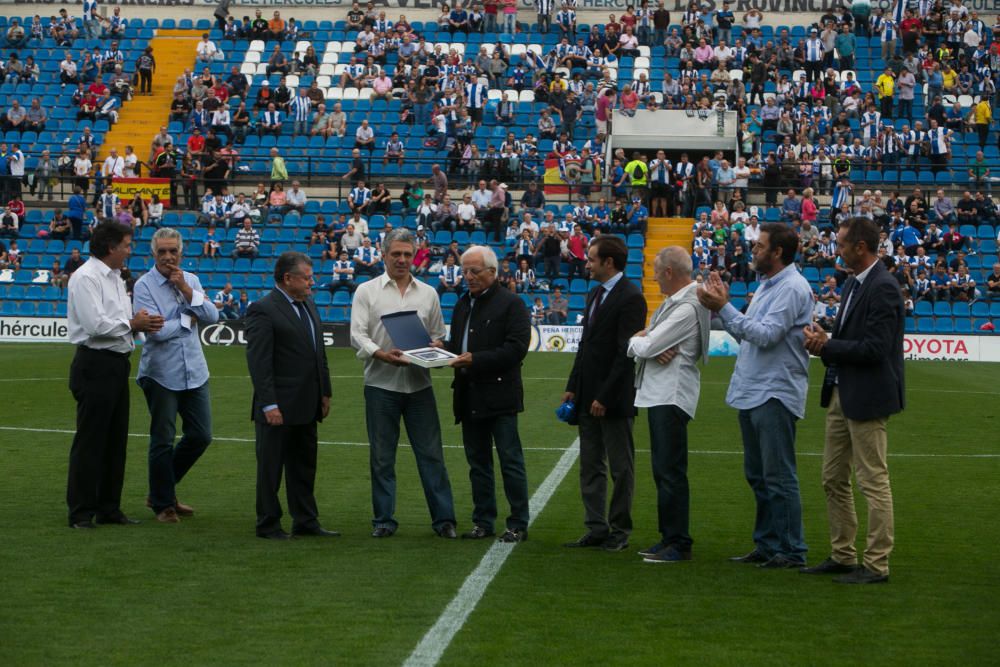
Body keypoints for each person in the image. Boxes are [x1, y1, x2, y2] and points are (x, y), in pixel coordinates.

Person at [697, 223, 813, 568]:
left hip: (774, 392)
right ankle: (768, 544)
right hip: (753, 389)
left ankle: (792, 550)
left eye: (760, 246)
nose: (754, 250)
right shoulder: (768, 286)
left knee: (778, 477)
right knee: (760, 476)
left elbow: (765, 335)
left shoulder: (792, 287)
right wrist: (723, 307)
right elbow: (747, 333)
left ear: (777, 252)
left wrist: (725, 307)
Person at [801, 216, 904, 584]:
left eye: (842, 243)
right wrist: (825, 340)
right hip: (842, 391)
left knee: (872, 481)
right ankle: (843, 554)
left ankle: (876, 564)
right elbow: (851, 342)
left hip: (868, 395)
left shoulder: (883, 288)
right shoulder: (854, 284)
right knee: (832, 478)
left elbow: (876, 349)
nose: (837, 249)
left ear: (861, 247)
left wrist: (829, 344)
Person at [350, 227, 458, 539]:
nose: (401, 259)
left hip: (419, 386)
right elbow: (358, 333)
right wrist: (380, 354)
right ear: (383, 255)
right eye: (396, 254)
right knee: (382, 456)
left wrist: (436, 346)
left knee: (432, 455)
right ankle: (383, 520)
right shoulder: (366, 291)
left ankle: (444, 520)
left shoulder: (428, 293)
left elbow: (438, 333)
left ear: (415, 256)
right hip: (380, 385)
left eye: (407, 254)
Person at [66, 222, 164, 529]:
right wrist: (133, 324)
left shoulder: (117, 278)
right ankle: (81, 511)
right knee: (91, 440)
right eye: (126, 244)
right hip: (95, 363)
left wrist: (138, 322)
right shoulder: (86, 278)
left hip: (117, 363)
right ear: (111, 247)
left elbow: (118, 319)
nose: (129, 250)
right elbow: (95, 325)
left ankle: (109, 508)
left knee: (115, 440)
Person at [561, 236, 647, 552]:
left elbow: (626, 353)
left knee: (621, 468)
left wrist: (605, 396)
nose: (587, 263)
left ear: (608, 262)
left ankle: (619, 530)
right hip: (586, 395)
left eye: (592, 258)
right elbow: (586, 346)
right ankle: (596, 527)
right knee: (590, 465)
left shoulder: (631, 297)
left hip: (614, 399)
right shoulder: (595, 293)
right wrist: (573, 385)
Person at [627, 247, 711, 564]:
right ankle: (669, 537)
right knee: (663, 471)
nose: (653, 277)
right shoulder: (677, 303)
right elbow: (648, 342)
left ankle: (679, 541)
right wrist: (645, 344)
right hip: (661, 392)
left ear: (669, 273)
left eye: (656, 271)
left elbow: (646, 342)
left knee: (670, 471)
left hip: (671, 394)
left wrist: (641, 344)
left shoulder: (686, 308)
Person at [245, 252, 336, 540]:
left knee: (304, 466)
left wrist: (325, 392)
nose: (312, 282)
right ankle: (268, 523)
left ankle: (306, 521)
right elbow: (259, 363)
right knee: (271, 468)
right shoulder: (263, 308)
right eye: (307, 277)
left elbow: (317, 353)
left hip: (307, 403)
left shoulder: (308, 304)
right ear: (288, 279)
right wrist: (269, 403)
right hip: (278, 407)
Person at [445, 246, 531, 543]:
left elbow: (516, 349)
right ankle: (483, 521)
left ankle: (518, 522)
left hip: (500, 396)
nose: (467, 277)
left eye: (474, 271)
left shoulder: (512, 304)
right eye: (464, 271)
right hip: (468, 395)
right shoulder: (461, 304)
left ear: (493, 273)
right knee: (478, 464)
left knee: (510, 461)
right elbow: (458, 345)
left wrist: (474, 360)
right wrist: (437, 348)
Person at [133, 229, 219, 523]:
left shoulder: (190, 279)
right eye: (162, 252)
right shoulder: (144, 285)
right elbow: (154, 334)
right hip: (161, 374)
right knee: (163, 439)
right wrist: (186, 320)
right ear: (153, 254)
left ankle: (161, 492)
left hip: (194, 370)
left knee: (201, 435)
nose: (168, 257)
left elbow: (211, 316)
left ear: (181, 252)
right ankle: (163, 505)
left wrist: (184, 288)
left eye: (173, 251)